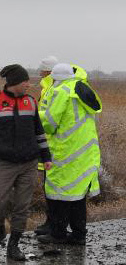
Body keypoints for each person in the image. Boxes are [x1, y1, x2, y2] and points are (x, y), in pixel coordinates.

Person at [0, 64, 52, 260]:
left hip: (29, 163)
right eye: (25, 81)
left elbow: (39, 133)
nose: (28, 84)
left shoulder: (31, 102)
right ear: (15, 82)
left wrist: (46, 157)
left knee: (22, 206)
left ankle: (14, 245)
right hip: (3, 163)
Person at [36, 63, 102, 245]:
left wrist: (33, 114)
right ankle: (79, 235)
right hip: (85, 152)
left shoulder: (60, 91)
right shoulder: (82, 89)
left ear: (55, 78)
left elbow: (49, 123)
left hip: (65, 151)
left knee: (58, 194)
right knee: (77, 196)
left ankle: (58, 234)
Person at [34, 55, 58, 236]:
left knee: (51, 186)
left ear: (47, 70)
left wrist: (32, 116)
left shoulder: (50, 87)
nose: (39, 71)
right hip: (48, 142)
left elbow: (49, 117)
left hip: (51, 144)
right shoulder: (49, 85)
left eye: (41, 68)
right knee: (49, 186)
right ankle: (52, 222)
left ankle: (53, 223)